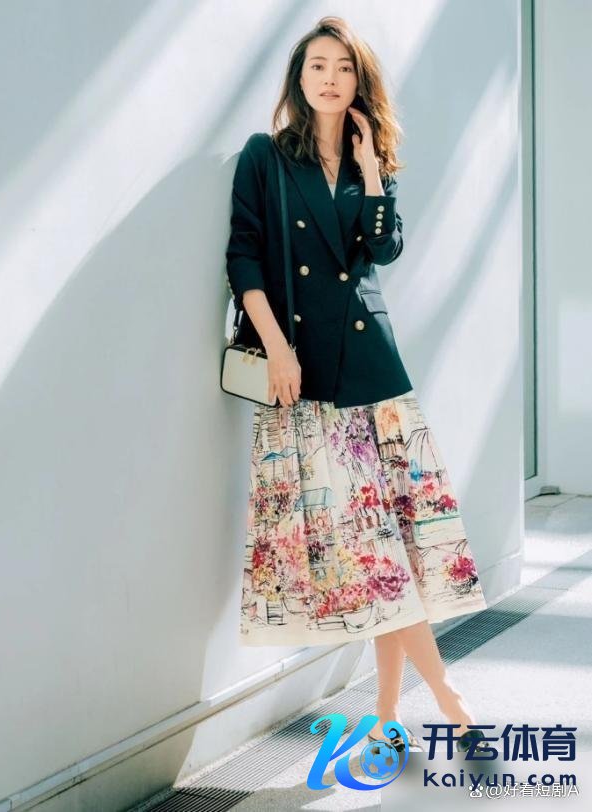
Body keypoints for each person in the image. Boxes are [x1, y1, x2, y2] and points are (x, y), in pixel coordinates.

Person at [224, 16, 490, 755]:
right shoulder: (266, 157)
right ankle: (446, 697)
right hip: (306, 377)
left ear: (358, 81)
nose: (329, 78)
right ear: (298, 78)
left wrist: (372, 173)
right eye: (317, 65)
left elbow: (382, 249)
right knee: (375, 550)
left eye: (343, 67)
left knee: (389, 547)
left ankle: (388, 710)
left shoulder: (376, 163)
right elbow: (243, 258)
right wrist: (278, 350)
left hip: (374, 374)